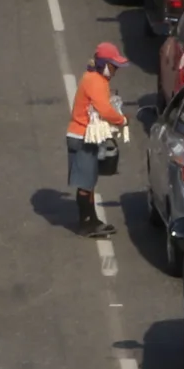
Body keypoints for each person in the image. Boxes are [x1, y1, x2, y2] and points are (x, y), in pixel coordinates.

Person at [64, 42, 129, 239]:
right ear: (103, 64)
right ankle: (85, 223)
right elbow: (105, 109)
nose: (115, 70)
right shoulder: (95, 81)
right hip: (82, 136)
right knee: (86, 183)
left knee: (90, 181)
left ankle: (92, 220)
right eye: (113, 66)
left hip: (85, 136)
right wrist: (122, 120)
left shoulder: (95, 78)